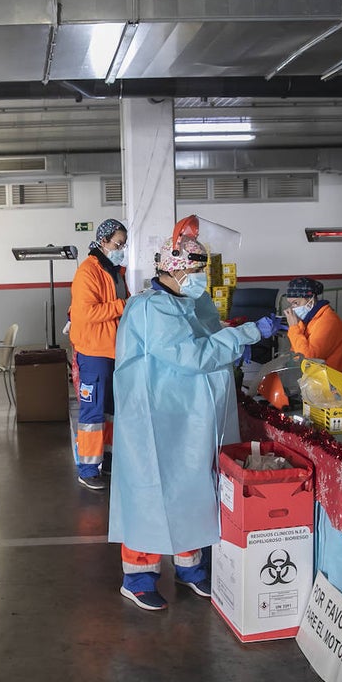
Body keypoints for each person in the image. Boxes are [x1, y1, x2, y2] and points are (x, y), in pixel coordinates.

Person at [109, 234, 278, 611]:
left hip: (192, 418)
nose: (201, 275)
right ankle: (138, 575)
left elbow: (213, 338)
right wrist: (248, 332)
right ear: (175, 266)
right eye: (196, 268)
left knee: (193, 487)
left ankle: (190, 566)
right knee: (151, 492)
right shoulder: (151, 308)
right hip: (155, 418)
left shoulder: (193, 301)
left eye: (204, 267)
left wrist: (238, 335)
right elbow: (192, 355)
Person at [69, 219, 129, 490]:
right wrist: (123, 305)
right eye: (118, 243)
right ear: (103, 241)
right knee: (92, 412)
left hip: (114, 351)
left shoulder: (114, 271)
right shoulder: (88, 272)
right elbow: (87, 313)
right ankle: (88, 469)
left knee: (111, 411)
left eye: (123, 244)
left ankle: (108, 459)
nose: (121, 248)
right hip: (93, 352)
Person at [282, 277, 342, 374]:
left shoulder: (328, 321)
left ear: (310, 299)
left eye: (296, 303)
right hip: (314, 377)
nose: (293, 309)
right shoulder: (309, 320)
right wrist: (298, 326)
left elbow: (308, 358)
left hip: (331, 381)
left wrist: (294, 328)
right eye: (291, 304)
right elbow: (296, 353)